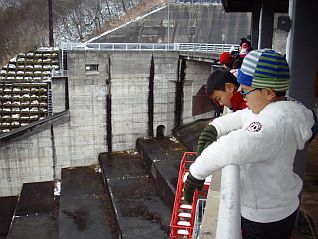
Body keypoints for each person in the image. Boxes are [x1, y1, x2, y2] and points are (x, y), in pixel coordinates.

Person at [184, 49, 315, 239]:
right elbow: (245, 115)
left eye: (245, 92)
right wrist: (215, 128)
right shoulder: (281, 111)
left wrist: (195, 174)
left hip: (263, 217)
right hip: (279, 208)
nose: (243, 98)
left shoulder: (271, 126)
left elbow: (231, 147)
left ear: (268, 92)